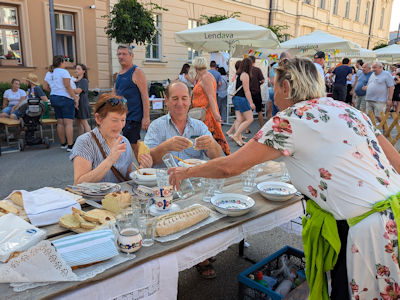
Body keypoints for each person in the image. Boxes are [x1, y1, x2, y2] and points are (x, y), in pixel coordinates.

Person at [169, 57, 400, 300]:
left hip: (367, 231)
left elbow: (230, 167)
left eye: (273, 86)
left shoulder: (291, 118)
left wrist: (187, 171)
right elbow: (395, 162)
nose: (273, 94)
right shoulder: (349, 110)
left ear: (286, 88)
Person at [144, 81, 222, 279]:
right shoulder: (157, 126)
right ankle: (175, 261)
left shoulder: (199, 126)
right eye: (175, 99)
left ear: (190, 101)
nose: (180, 103)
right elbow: (147, 160)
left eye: (184, 98)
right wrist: (166, 146)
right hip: (167, 186)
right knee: (173, 221)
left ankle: (202, 255)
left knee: (205, 214)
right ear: (167, 102)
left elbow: (218, 158)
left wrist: (212, 144)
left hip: (196, 181)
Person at [70, 93, 152, 184]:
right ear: (98, 119)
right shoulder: (85, 142)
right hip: (95, 198)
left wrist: (142, 171)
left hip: (119, 196)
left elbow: (127, 178)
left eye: (123, 120)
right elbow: (79, 183)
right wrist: (110, 160)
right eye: (114, 120)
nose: (120, 126)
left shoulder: (124, 141)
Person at [115, 45, 151, 160]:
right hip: (122, 117)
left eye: (124, 54)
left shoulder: (137, 72)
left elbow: (145, 96)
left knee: (134, 146)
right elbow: (115, 96)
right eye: (119, 54)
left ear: (132, 56)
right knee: (124, 147)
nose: (121, 57)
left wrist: (146, 117)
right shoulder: (119, 75)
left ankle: (144, 169)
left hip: (134, 117)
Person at [192, 57, 230, 155]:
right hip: (202, 113)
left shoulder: (206, 77)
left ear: (196, 66)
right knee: (209, 139)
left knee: (211, 139)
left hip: (207, 114)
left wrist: (216, 114)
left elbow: (211, 97)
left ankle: (217, 160)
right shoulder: (202, 76)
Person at [44, 55, 79, 152]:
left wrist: (54, 90)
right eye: (64, 62)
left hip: (54, 97)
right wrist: (75, 98)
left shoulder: (50, 72)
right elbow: (67, 86)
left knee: (60, 122)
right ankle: (70, 145)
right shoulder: (64, 72)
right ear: (61, 62)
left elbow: (45, 87)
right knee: (68, 123)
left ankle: (63, 143)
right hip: (65, 98)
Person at [228, 58, 255, 147]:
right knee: (250, 119)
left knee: (240, 119)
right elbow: (247, 91)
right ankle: (236, 135)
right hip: (241, 99)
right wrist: (251, 103)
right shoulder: (245, 75)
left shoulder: (239, 74)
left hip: (235, 98)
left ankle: (239, 139)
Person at [73, 64, 91, 136]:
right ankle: (80, 140)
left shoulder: (84, 80)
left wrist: (68, 89)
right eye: (76, 69)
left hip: (82, 103)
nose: (76, 70)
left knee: (84, 122)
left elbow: (78, 91)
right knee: (78, 123)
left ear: (83, 71)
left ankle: (90, 140)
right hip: (75, 103)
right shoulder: (74, 80)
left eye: (78, 69)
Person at [249, 55, 266, 128]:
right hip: (257, 92)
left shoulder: (246, 70)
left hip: (248, 93)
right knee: (259, 111)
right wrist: (259, 83)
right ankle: (261, 127)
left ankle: (246, 129)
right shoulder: (257, 70)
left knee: (248, 111)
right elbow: (263, 80)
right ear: (254, 61)